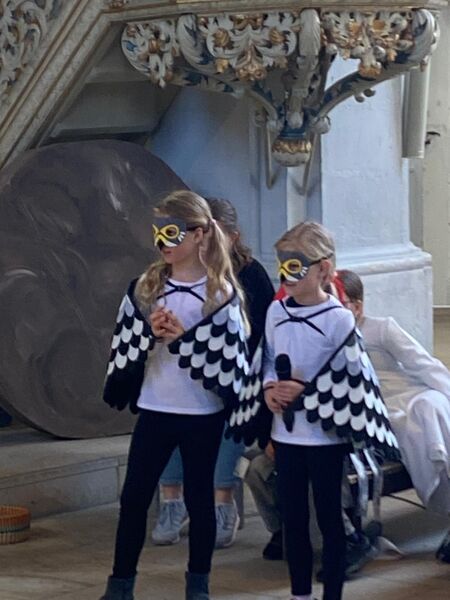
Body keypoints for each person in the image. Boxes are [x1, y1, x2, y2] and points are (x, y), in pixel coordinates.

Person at [100, 190, 256, 600]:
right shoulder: (146, 288)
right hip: (156, 408)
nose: (163, 242)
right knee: (134, 497)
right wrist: (149, 335)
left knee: (201, 499)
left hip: (202, 413)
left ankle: (198, 586)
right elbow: (124, 347)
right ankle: (120, 585)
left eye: (172, 232)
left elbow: (230, 365)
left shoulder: (221, 294)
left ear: (199, 233)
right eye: (158, 232)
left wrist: (185, 339)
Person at [263, 222, 398, 600]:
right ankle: (300, 593)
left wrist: (306, 392)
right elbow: (268, 358)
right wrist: (269, 387)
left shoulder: (338, 319)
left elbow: (352, 379)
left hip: (324, 437)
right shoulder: (275, 312)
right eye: (282, 265)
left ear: (323, 268)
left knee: (329, 518)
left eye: (295, 266)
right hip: (286, 434)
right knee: (294, 520)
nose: (286, 276)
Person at [151, 197, 274, 549]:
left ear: (232, 238)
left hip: (237, 379)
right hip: (189, 372)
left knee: (228, 423)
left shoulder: (251, 275)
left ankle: (223, 505)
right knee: (169, 420)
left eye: (213, 236)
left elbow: (262, 338)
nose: (205, 245)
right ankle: (172, 502)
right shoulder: (180, 273)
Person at [335, 268, 450, 564]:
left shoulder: (381, 328)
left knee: (428, 410)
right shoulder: (328, 336)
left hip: (414, 393)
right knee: (407, 425)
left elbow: (422, 363)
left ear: (357, 307)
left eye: (340, 304)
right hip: (382, 409)